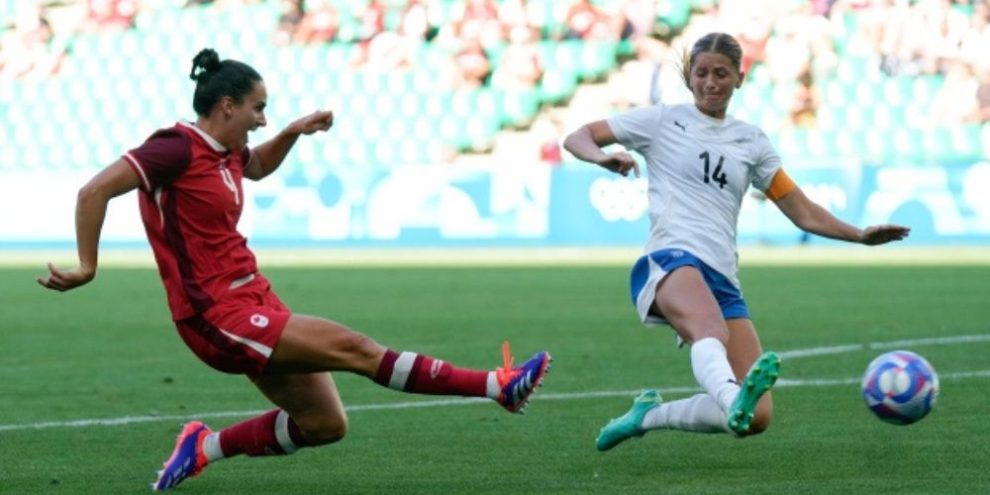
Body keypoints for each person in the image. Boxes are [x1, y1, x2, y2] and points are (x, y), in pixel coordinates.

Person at [36, 48, 551, 491]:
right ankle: (497, 386)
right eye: (258, 109)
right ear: (227, 105)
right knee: (357, 349)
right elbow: (94, 191)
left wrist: (290, 132)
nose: (261, 118)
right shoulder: (174, 147)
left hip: (254, 298)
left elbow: (255, 165)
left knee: (325, 423)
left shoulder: (229, 151)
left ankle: (204, 447)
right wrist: (88, 265)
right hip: (214, 315)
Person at [562, 32, 909, 450]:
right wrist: (601, 157)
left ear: (739, 79)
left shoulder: (752, 141)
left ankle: (647, 417)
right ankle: (731, 397)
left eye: (721, 74)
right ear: (690, 78)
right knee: (710, 331)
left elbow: (798, 207)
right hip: (669, 259)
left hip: (721, 274)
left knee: (757, 418)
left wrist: (858, 235)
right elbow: (578, 136)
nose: (710, 82)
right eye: (702, 73)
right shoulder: (660, 121)